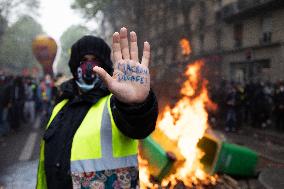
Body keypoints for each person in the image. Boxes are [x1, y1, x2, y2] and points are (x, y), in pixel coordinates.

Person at [36, 27, 158, 189]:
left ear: (105, 66)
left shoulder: (115, 103)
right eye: (83, 60)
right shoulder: (61, 106)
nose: (89, 66)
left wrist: (137, 104)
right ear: (74, 66)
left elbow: (140, 126)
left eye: (95, 61)